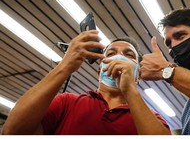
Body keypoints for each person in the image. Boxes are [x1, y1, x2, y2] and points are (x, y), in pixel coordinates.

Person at [1, 30, 170, 135]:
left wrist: (129, 90)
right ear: (99, 72)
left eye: (129, 55)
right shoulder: (67, 103)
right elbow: (12, 132)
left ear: (138, 75)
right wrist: (65, 66)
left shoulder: (152, 119)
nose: (119, 58)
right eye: (110, 53)